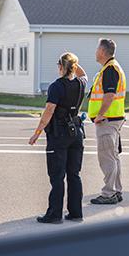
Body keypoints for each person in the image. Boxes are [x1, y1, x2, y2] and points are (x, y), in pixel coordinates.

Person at [29, 52, 87, 224]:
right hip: (76, 132)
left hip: (59, 134)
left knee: (57, 176)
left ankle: (54, 214)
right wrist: (74, 64)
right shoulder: (81, 83)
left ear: (61, 67)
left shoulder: (56, 86)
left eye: (59, 65)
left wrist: (37, 133)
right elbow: (83, 74)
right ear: (74, 67)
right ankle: (76, 213)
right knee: (74, 174)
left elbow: (49, 111)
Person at [88, 38, 127, 205]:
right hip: (114, 119)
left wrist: (100, 115)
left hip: (107, 121)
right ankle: (116, 191)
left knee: (107, 158)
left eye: (97, 48)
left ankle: (109, 193)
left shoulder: (110, 69)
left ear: (103, 52)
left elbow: (109, 95)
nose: (96, 51)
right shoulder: (110, 68)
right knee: (113, 156)